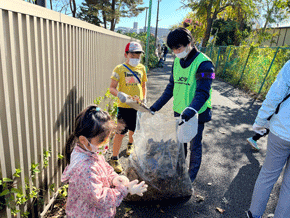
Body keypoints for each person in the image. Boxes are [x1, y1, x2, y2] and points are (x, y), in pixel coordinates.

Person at [149, 27, 215, 183]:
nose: (176, 52)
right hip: (179, 112)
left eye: (178, 47)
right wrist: (155, 107)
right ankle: (179, 173)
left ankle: (189, 180)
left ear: (190, 42)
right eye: (173, 49)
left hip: (196, 114)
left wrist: (191, 110)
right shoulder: (177, 62)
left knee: (195, 146)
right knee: (180, 145)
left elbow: (203, 92)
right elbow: (171, 87)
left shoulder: (205, 64)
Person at [61, 105, 147, 218]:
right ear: (83, 140)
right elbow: (101, 199)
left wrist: (114, 178)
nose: (106, 143)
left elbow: (104, 167)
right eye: (102, 140)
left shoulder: (89, 150)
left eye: (108, 138)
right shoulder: (84, 169)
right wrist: (124, 189)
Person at [246, 61, 290, 218]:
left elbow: (275, 94)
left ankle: (253, 215)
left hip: (283, 130)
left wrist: (260, 121)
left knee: (267, 175)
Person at [109, 42, 147, 173]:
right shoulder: (119, 69)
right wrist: (120, 94)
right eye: (133, 54)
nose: (136, 57)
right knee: (120, 133)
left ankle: (130, 144)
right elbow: (111, 88)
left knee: (134, 129)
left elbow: (143, 85)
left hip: (137, 106)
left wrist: (144, 99)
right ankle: (114, 157)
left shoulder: (142, 68)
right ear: (126, 54)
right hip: (124, 107)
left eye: (138, 54)